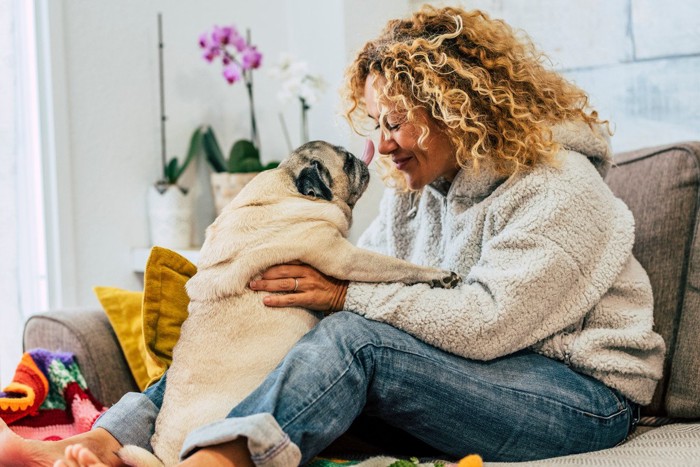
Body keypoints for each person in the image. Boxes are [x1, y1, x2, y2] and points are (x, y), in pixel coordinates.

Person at [0, 6, 665, 466]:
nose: (379, 147)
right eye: (372, 123)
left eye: (396, 122)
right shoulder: (415, 192)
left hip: (581, 397)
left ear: (458, 107)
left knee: (352, 340)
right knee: (241, 343)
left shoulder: (560, 187)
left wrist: (340, 297)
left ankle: (217, 459)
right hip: (472, 379)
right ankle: (101, 444)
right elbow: (372, 283)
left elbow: (485, 321)